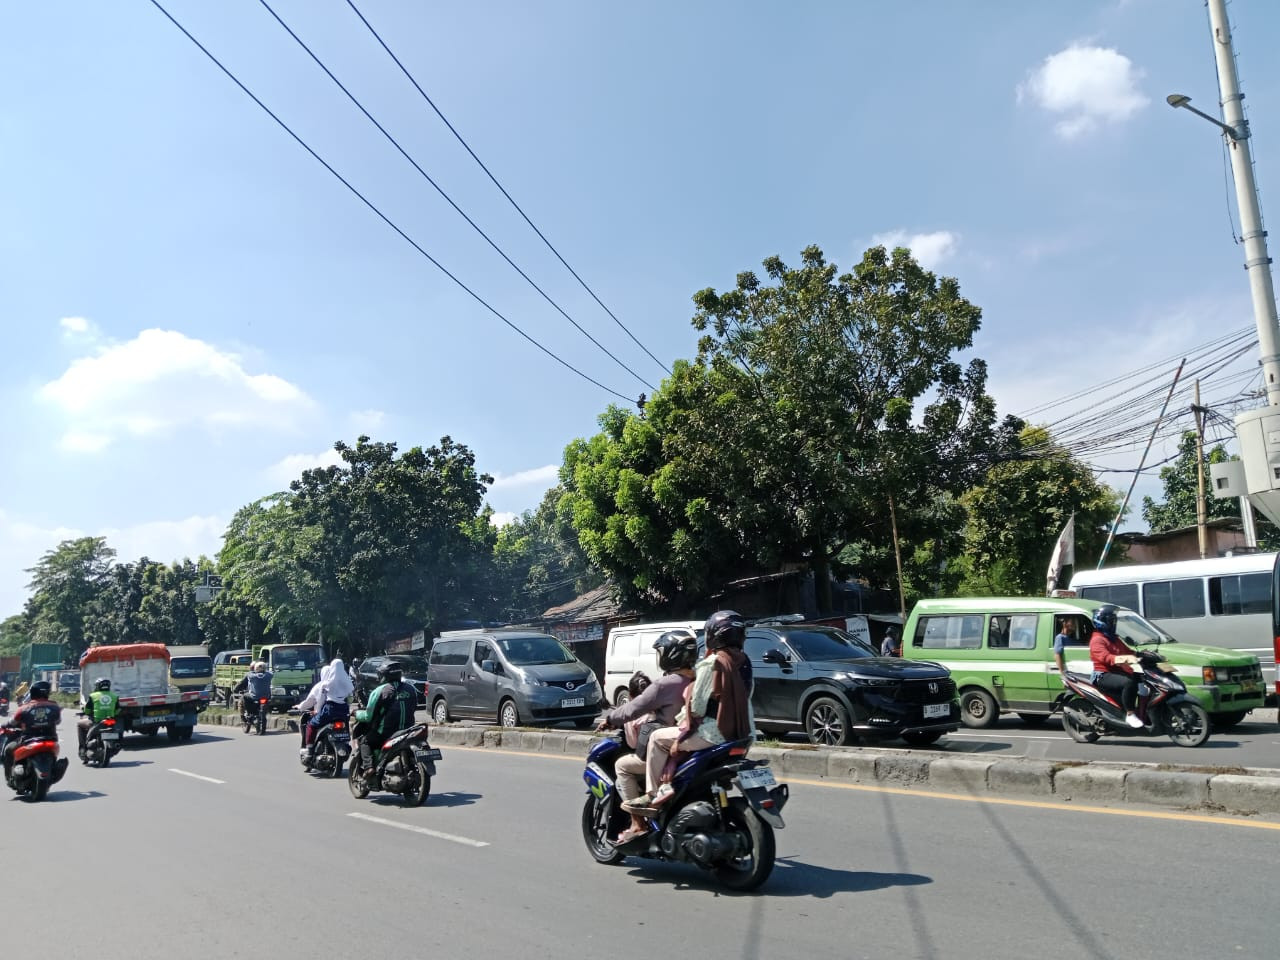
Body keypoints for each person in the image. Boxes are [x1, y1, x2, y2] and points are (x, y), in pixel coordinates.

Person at [634, 610, 755, 811]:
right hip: (744, 732)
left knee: (656, 737)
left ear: (713, 636)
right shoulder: (745, 662)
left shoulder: (712, 662)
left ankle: (651, 795)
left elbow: (697, 707)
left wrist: (682, 720)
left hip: (714, 734)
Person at [595, 630, 699, 843]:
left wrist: (610, 719)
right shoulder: (698, 677)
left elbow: (633, 709)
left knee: (622, 766)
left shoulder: (665, 684)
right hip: (692, 746)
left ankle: (637, 823)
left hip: (667, 750)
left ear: (669, 655)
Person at [353, 662, 418, 786]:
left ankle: (369, 768)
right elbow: (414, 707)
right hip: (409, 730)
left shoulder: (380, 691)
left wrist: (355, 713)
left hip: (386, 733)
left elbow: (368, 716)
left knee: (365, 742)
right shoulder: (411, 688)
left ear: (383, 676)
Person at [1087, 604, 1144, 729]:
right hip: (1103, 675)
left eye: (1114, 621)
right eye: (1111, 621)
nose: (1113, 623)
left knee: (1143, 678)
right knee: (1129, 683)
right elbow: (1106, 657)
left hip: (1117, 671)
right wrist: (1122, 659)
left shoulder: (1114, 639)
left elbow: (1128, 651)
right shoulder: (1097, 640)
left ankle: (1143, 710)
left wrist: (1143, 655)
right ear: (1103, 622)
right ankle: (1130, 714)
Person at [3, 680, 61, 782]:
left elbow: (12, 722)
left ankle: (9, 778)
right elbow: (58, 721)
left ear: (33, 692)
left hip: (28, 740)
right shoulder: (54, 706)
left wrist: (5, 725)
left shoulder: (24, 707)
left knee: (8, 749)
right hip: (50, 739)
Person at [298, 657, 354, 760]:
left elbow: (320, 700)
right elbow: (350, 699)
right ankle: (345, 743)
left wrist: (317, 711)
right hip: (344, 711)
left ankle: (309, 750)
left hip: (330, 710)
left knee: (311, 724)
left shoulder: (325, 684)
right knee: (345, 728)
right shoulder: (349, 683)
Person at [78, 677, 119, 758]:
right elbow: (118, 709)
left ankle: (82, 748)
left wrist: (87, 712)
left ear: (97, 686)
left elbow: (87, 711)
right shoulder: (115, 696)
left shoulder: (93, 696)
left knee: (79, 724)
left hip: (96, 721)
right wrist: (113, 714)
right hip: (110, 720)